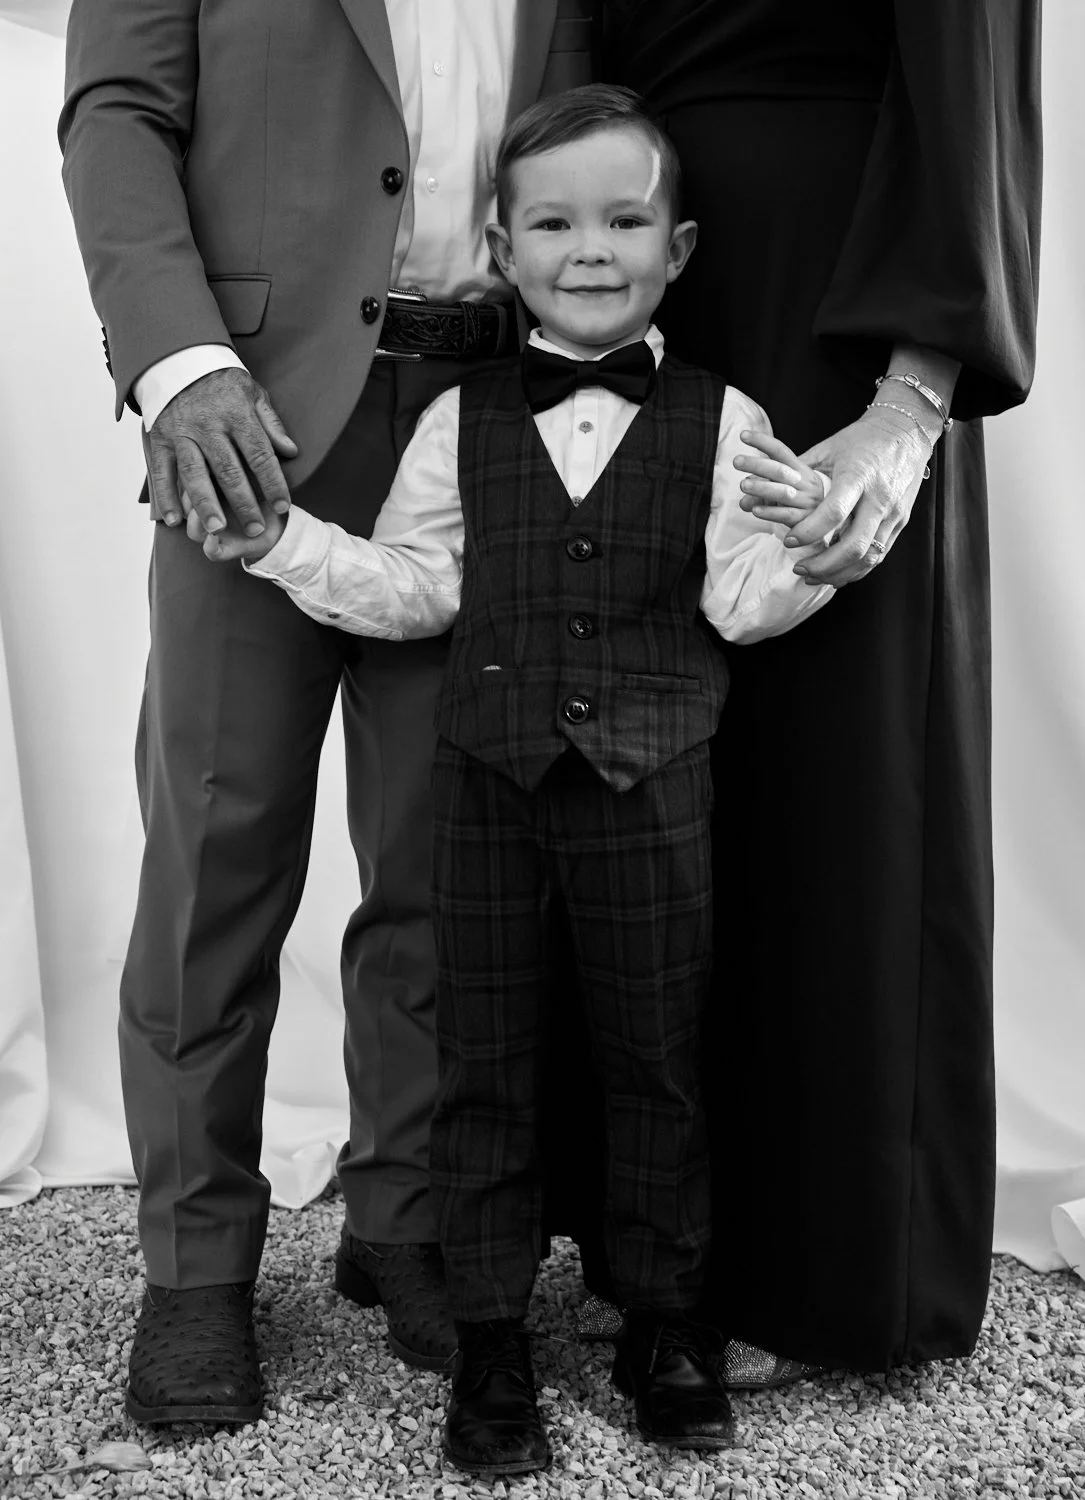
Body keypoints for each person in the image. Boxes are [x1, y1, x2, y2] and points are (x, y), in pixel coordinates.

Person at [200, 84, 836, 1477]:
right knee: (483, 1068)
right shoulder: (459, 422)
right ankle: (489, 1337)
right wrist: (278, 542)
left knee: (657, 1066)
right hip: (486, 795)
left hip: (656, 796)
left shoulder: (728, 421)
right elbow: (417, 587)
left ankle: (665, 1320)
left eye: (624, 220)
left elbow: (740, 602)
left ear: (679, 246)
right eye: (554, 222)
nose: (590, 249)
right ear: (502, 244)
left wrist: (818, 548)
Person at [59, 0, 592, 1426]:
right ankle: (194, 1274)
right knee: (216, 862)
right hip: (258, 413)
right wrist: (178, 364)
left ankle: (403, 1221)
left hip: (495, 411)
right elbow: (117, 114)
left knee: (445, 865)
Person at [557, 0, 1043, 1381]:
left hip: (838, 302)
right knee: (654, 772)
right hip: (648, 281)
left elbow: (975, 88)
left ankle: (827, 1271)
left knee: (835, 767)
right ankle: (662, 1238)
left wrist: (908, 407)